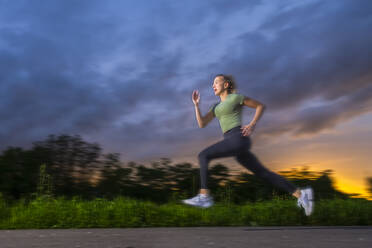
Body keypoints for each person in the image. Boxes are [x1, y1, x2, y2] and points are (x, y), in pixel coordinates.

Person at [182, 74, 314, 216]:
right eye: (212, 83)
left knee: (203, 155)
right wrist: (196, 105)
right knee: (263, 173)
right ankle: (301, 194)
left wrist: (252, 124)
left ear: (226, 85)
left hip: (238, 138)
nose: (213, 85)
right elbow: (202, 123)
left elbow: (259, 106)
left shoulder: (235, 98)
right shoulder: (215, 107)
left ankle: (204, 196)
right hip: (234, 144)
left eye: (216, 82)